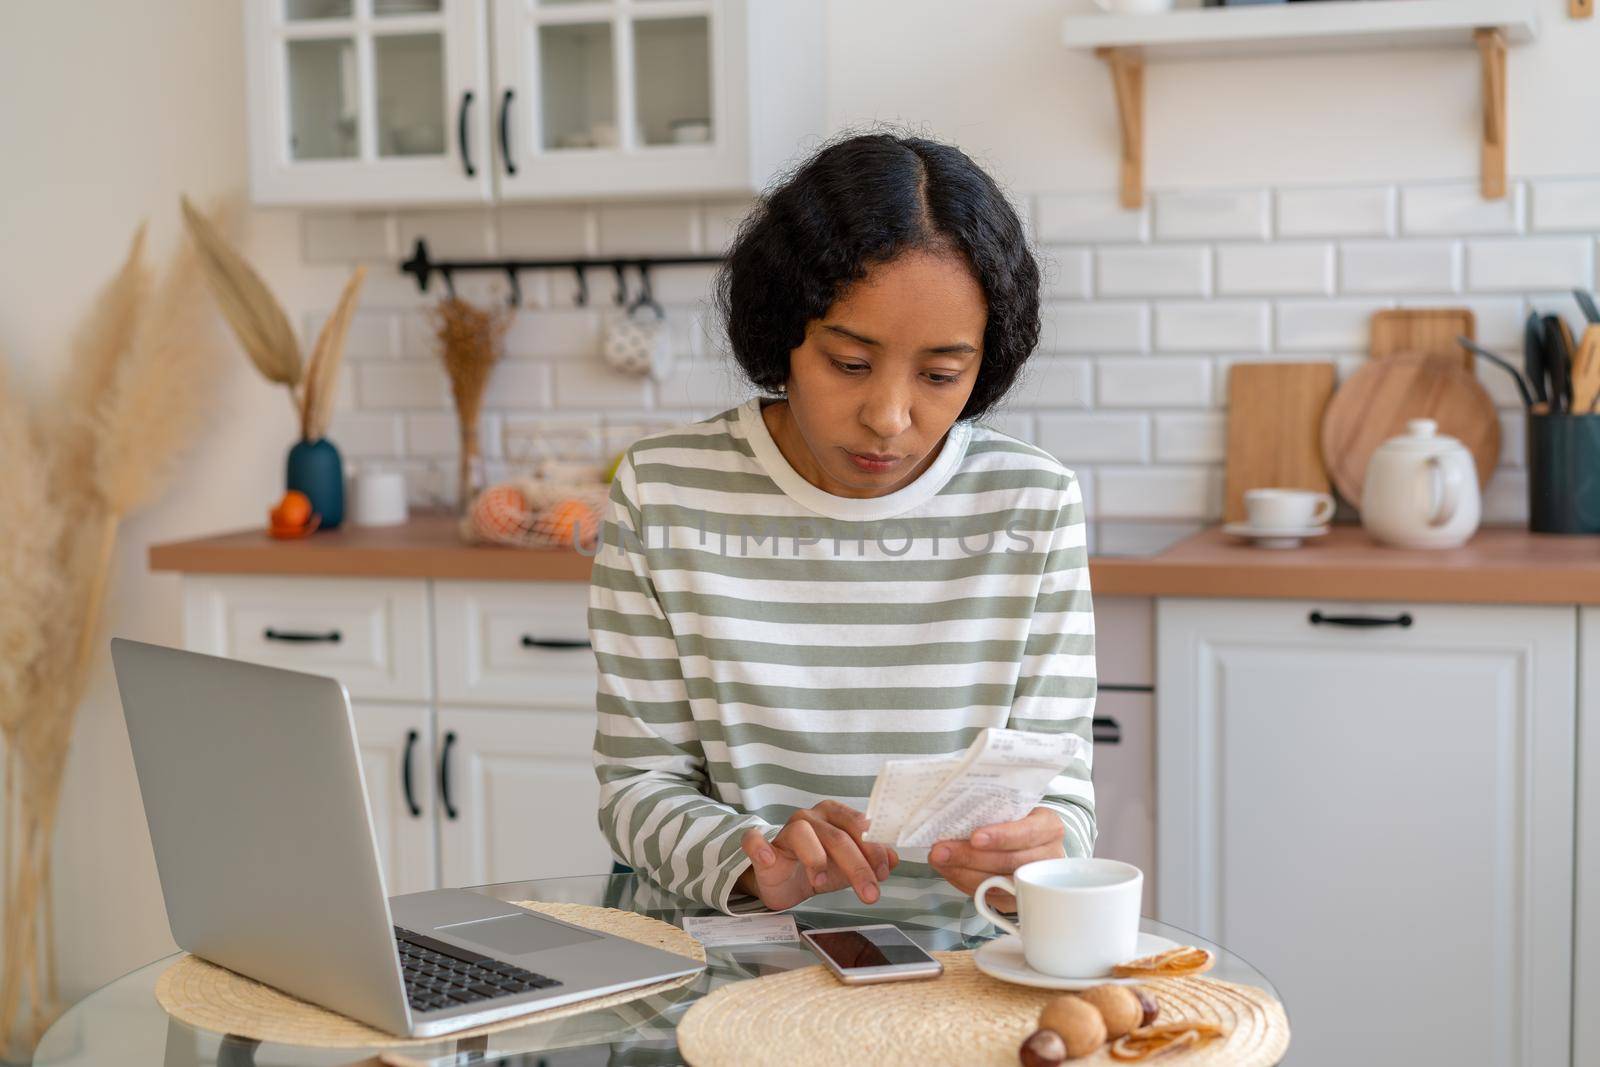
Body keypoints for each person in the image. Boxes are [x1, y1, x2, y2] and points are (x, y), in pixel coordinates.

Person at [588, 130, 1095, 916]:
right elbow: (638, 784)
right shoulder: (664, 495)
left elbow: (1064, 803)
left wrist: (1040, 844)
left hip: (961, 965)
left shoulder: (1034, 503)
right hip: (739, 953)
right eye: (849, 364)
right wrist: (751, 860)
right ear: (784, 331)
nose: (889, 417)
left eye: (939, 375)